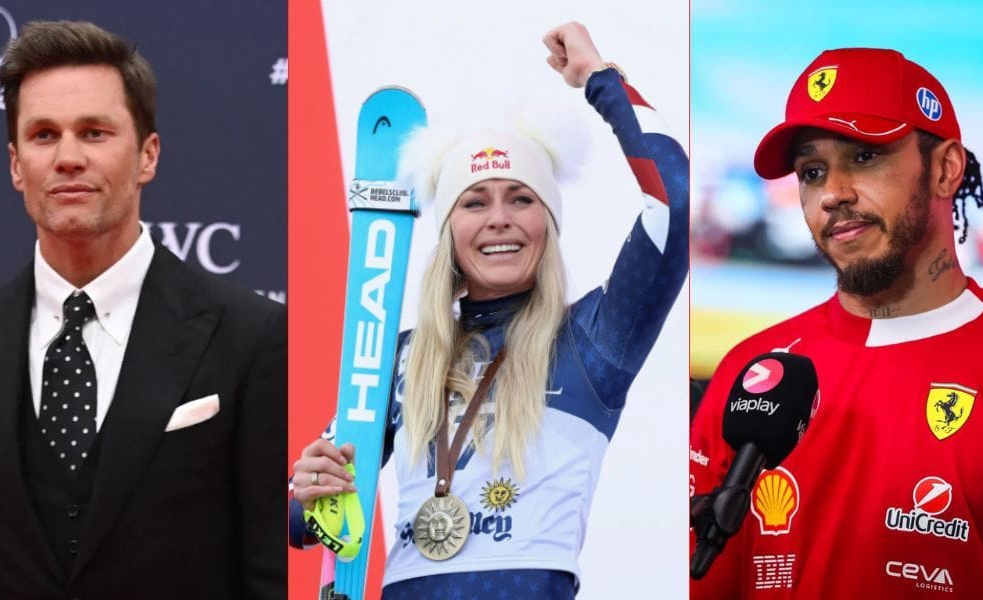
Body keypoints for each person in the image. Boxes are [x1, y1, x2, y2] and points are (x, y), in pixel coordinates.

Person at [289, 21, 687, 599]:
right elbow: (307, 524)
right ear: (449, 232)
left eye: (521, 199)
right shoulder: (399, 359)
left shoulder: (593, 339)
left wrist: (601, 81)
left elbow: (673, 204)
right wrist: (310, 492)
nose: (499, 218)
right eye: (474, 202)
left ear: (547, 226)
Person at [0, 21, 286, 599]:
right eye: (44, 135)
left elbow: (269, 574)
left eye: (95, 132)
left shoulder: (251, 337)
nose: (68, 157)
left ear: (148, 154)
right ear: (16, 164)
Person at [690, 48, 983, 598]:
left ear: (946, 168)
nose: (832, 194)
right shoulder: (753, 371)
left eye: (864, 157)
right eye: (812, 171)